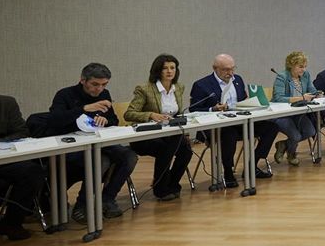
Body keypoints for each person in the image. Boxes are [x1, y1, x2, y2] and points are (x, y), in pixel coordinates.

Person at [47, 63, 138, 221]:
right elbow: (55, 121)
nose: (99, 89)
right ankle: (82, 205)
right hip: (71, 146)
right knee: (100, 161)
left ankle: (107, 199)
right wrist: (84, 109)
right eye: (95, 84)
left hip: (99, 142)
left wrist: (105, 120)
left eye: (104, 85)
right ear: (83, 80)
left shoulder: (104, 94)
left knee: (129, 156)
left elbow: (113, 120)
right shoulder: (65, 95)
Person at [190, 54, 278, 188]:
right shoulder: (202, 85)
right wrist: (212, 108)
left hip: (239, 121)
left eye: (232, 69)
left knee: (271, 127)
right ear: (215, 68)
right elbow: (193, 109)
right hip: (216, 127)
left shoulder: (237, 80)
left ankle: (251, 165)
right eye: (226, 70)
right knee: (228, 132)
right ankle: (228, 172)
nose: (230, 73)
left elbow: (242, 100)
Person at [123, 54, 193, 201]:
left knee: (186, 150)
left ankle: (172, 184)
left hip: (170, 134)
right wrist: (151, 115)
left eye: (172, 68)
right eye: (165, 68)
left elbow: (178, 112)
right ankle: (160, 189)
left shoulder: (179, 87)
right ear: (157, 70)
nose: (169, 71)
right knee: (166, 148)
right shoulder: (144, 89)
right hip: (146, 138)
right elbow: (129, 114)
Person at [0, 69, 41, 245]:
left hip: (0, 157)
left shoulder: (5, 103)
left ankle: (11, 222)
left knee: (33, 171)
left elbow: (21, 132)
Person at [272, 51, 320, 166]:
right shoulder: (282, 77)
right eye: (300, 66)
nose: (303, 69)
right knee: (296, 136)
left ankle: (283, 144)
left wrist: (317, 94)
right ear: (291, 65)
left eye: (304, 66)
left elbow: (312, 90)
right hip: (283, 114)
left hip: (298, 112)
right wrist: (301, 98)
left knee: (310, 131)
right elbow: (278, 98)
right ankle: (291, 153)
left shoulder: (305, 75)